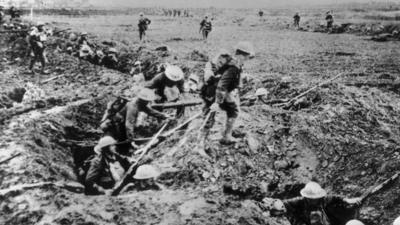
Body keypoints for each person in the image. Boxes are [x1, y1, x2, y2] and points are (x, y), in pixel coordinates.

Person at [208, 42, 255, 145]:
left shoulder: (235, 64)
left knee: (229, 110)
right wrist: (218, 101)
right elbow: (222, 84)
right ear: (241, 55)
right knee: (233, 110)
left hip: (222, 89)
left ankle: (222, 132)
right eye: (246, 57)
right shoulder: (233, 66)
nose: (247, 59)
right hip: (220, 90)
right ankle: (226, 136)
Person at [271, 181, 363, 225]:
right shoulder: (299, 202)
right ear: (306, 197)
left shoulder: (322, 200)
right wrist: (276, 204)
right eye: (312, 198)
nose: (314, 200)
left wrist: (346, 200)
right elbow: (282, 204)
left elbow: (334, 198)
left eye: (316, 198)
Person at [100, 88, 172, 143]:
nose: (148, 102)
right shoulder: (133, 106)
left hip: (119, 124)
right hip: (114, 127)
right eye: (147, 100)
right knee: (117, 143)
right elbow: (129, 125)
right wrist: (131, 139)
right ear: (143, 100)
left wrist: (164, 116)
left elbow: (150, 111)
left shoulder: (139, 103)